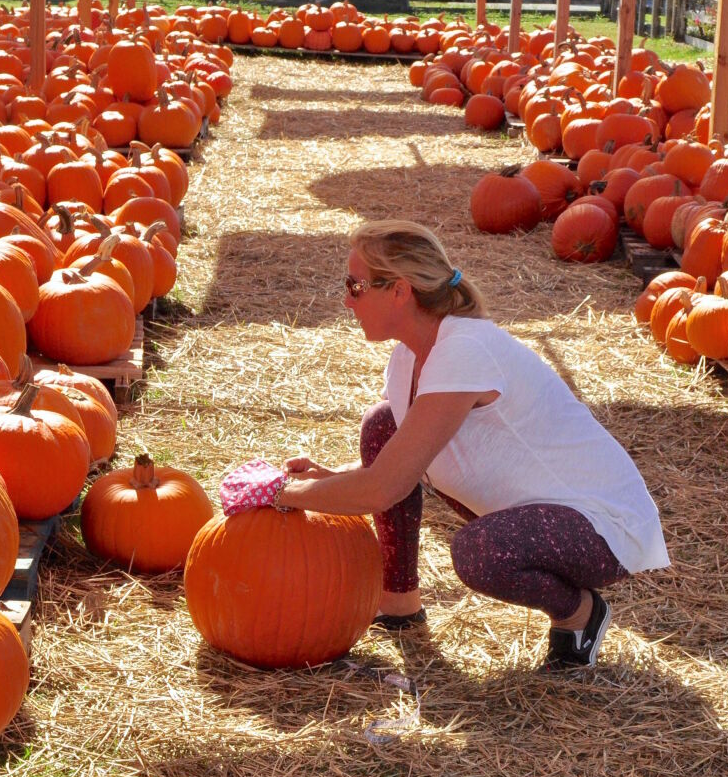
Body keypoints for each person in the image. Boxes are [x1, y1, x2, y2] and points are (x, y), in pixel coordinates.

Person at [276, 220, 669, 670]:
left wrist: (281, 494)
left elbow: (383, 487)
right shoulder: (410, 355)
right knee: (383, 423)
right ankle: (399, 601)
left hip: (604, 529)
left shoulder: (464, 349)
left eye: (355, 286)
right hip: (542, 508)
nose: (346, 299)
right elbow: (401, 457)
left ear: (400, 291)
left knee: (479, 553)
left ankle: (579, 613)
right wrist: (332, 480)